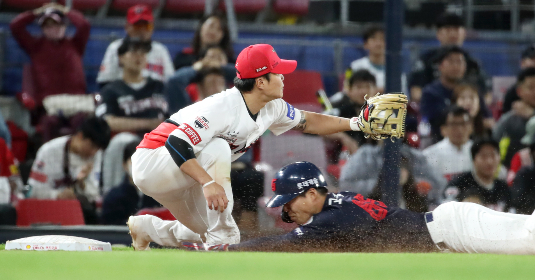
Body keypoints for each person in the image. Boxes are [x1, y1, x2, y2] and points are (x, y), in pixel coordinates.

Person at [126, 44, 396, 250]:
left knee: (201, 230)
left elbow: (309, 121)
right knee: (219, 150)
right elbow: (177, 143)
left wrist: (355, 123)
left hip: (186, 171)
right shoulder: (223, 106)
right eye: (277, 72)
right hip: (153, 162)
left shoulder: (272, 107)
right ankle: (222, 241)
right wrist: (208, 184)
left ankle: (148, 228)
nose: (284, 76)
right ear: (261, 82)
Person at [184, 143, 535, 253]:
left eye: (287, 202)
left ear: (311, 194)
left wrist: (230, 249)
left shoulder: (331, 216)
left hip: (451, 229)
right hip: (449, 229)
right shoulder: (334, 205)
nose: (284, 211)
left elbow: (281, 247)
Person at [27, 117, 111, 224]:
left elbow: (93, 194)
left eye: (98, 149)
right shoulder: (48, 151)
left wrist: (82, 184)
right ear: (80, 136)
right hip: (47, 211)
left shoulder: (95, 155)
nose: (94, 152)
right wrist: (57, 195)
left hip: (76, 213)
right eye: (92, 146)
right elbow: (33, 191)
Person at [10, 2, 90, 103]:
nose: (53, 30)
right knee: (51, 119)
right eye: (48, 26)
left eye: (57, 25)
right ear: (42, 29)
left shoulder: (76, 44)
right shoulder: (35, 46)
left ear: (64, 26)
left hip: (76, 100)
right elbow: (15, 26)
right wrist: (36, 12)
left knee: (81, 118)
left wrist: (63, 10)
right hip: (47, 101)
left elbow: (84, 25)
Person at [409, 13, 489, 104]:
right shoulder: (426, 60)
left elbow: (487, 94)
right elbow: (415, 91)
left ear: (464, 33)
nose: (453, 34)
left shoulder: (472, 63)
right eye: (448, 30)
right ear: (438, 34)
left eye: (456, 29)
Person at [339, 140, 446, 206]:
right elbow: (345, 186)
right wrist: (382, 182)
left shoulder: (414, 156)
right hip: (373, 214)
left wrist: (412, 182)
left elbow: (440, 185)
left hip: (412, 216)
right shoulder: (365, 155)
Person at [95, 39, 167, 134]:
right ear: (120, 58)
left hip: (159, 140)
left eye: (143, 52)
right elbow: (107, 122)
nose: (139, 56)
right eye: (133, 51)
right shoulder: (110, 90)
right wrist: (149, 123)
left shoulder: (159, 86)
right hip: (125, 141)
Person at [420, 46, 492, 142]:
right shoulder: (430, 93)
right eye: (451, 62)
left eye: (460, 62)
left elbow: (488, 120)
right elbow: (434, 123)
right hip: (440, 141)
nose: (456, 66)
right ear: (440, 66)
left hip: (473, 140)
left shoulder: (472, 90)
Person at [97, 4, 174, 87]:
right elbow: (104, 82)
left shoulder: (160, 50)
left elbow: (171, 83)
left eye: (147, 26)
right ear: (127, 27)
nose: (142, 30)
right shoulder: (115, 48)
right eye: (137, 26)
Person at [101, 140, 160, 225]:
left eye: (143, 161)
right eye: (135, 161)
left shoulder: (158, 195)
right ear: (124, 165)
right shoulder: (113, 197)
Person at [446, 138, 511, 212]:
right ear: (473, 159)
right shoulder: (459, 183)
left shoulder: (503, 187)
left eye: (493, 156)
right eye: (483, 157)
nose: (489, 161)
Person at [322, 70, 376, 156]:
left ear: (375, 90)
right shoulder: (340, 111)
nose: (363, 91)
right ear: (349, 91)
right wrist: (343, 137)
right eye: (359, 87)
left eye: (368, 87)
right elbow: (321, 128)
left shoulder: (381, 112)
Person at [165, 45, 233, 114]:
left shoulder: (234, 110)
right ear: (200, 87)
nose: (215, 87)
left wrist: (221, 67)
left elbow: (243, 76)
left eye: (219, 83)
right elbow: (174, 81)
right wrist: (196, 68)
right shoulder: (188, 112)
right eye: (211, 83)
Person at [344, 26, 405, 93]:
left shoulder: (396, 71)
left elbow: (401, 96)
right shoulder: (354, 66)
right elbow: (346, 89)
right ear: (365, 44)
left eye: (382, 39)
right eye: (374, 39)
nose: (378, 44)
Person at [423, 107, 474, 181]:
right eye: (454, 124)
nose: (459, 129)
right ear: (443, 129)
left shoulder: (479, 152)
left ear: (471, 127)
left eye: (463, 124)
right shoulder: (430, 154)